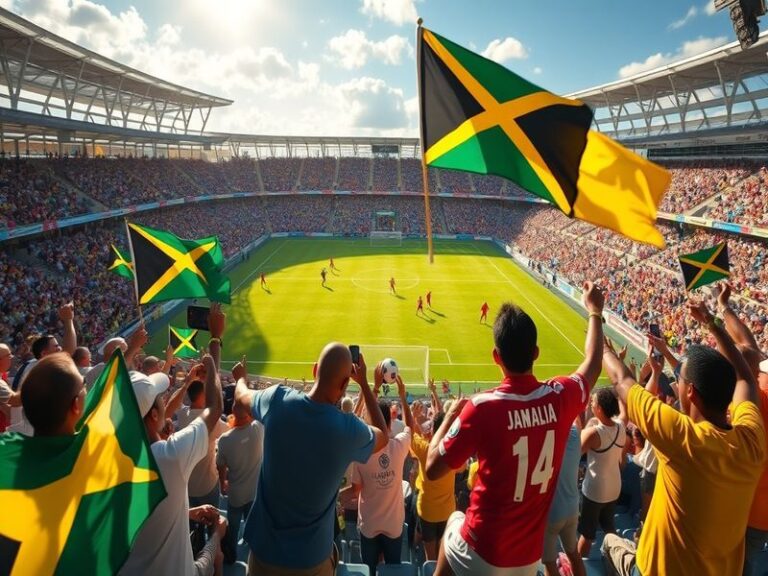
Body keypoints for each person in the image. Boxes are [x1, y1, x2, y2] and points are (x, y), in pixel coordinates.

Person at [425, 282, 605, 576]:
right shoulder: (561, 397)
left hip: (482, 549)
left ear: (496, 356)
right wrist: (595, 312)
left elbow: (432, 469)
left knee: (454, 520)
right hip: (528, 559)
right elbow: (593, 364)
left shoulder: (482, 407)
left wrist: (447, 419)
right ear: (536, 353)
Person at [600, 297, 766, 576]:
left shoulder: (680, 437)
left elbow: (621, 381)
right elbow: (746, 378)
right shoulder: (752, 440)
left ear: (690, 392)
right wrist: (711, 322)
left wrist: (601, 338)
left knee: (609, 544)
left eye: (680, 378)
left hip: (657, 570)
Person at [233, 344, 390, 576]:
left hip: (263, 556)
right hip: (312, 562)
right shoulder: (347, 430)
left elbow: (241, 396)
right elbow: (383, 435)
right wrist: (366, 384)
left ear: (315, 370)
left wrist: (240, 378)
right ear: (345, 385)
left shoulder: (276, 400)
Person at [121, 303, 228, 576]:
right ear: (154, 414)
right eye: (159, 396)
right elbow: (214, 408)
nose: (163, 400)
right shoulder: (169, 457)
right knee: (216, 542)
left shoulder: (108, 458)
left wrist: (187, 512)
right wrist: (215, 344)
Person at [349, 371, 413, 575]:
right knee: (392, 569)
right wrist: (402, 397)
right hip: (393, 524)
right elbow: (410, 427)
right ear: (391, 422)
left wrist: (373, 388)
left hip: (369, 524)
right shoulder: (399, 446)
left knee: (369, 569)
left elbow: (356, 489)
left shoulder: (360, 454)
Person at [216, 381, 264, 564]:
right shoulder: (258, 429)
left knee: (234, 527)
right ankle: (252, 556)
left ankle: (231, 556)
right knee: (252, 524)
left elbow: (221, 466)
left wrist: (222, 483)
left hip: (236, 494)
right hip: (254, 492)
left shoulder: (225, 439)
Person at [577, 387, 626, 557]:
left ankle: (578, 566)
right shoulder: (621, 426)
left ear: (599, 408)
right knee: (609, 528)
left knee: (587, 534)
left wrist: (576, 414)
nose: (591, 403)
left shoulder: (593, 433)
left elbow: (574, 450)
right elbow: (624, 411)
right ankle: (616, 560)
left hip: (595, 491)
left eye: (593, 401)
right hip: (614, 488)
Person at [543, 422, 585, 576]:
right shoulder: (574, 433)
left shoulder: (542, 437)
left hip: (552, 512)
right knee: (574, 555)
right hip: (572, 508)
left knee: (549, 562)